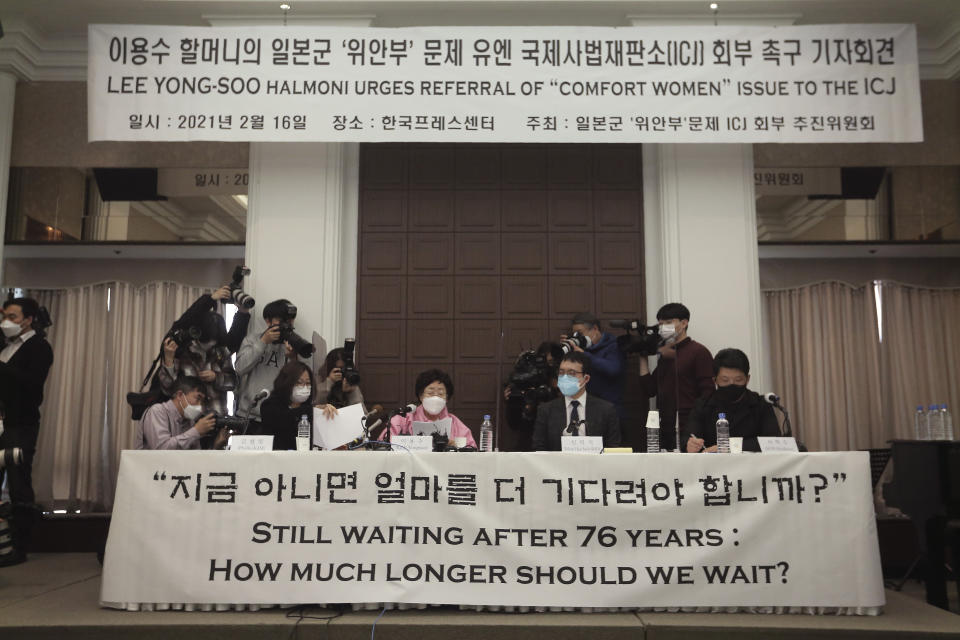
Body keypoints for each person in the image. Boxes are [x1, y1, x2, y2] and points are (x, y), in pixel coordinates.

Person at [0, 297, 54, 567]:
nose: (6, 322)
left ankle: (19, 547)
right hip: (1, 420)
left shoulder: (39, 347)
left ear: (29, 319)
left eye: (12, 317)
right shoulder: (4, 346)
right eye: (4, 316)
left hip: (20, 424)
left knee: (18, 480)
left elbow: (33, 386)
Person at [155, 285, 242, 417]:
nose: (210, 345)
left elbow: (233, 382)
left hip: (216, 417)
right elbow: (168, 387)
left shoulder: (221, 351)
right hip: (187, 420)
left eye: (214, 341)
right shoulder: (183, 350)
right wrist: (168, 360)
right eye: (207, 342)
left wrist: (216, 377)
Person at [638, 302, 714, 451]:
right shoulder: (667, 353)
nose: (663, 328)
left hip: (690, 426)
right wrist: (642, 356)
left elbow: (708, 394)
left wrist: (698, 422)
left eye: (668, 322)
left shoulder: (699, 352)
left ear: (684, 323)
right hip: (665, 426)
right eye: (660, 324)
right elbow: (650, 389)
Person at [682, 348, 780, 453]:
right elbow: (687, 437)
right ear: (715, 380)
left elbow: (773, 442)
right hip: (714, 467)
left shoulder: (761, 404)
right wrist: (690, 444)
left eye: (738, 380)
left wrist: (730, 446)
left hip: (753, 466)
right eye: (725, 380)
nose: (731, 384)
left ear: (747, 379)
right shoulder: (702, 405)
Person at [531, 352, 621, 451]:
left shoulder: (606, 410)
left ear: (586, 378)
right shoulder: (546, 410)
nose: (564, 378)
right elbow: (538, 449)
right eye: (561, 373)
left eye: (571, 373)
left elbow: (613, 449)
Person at [235, 299, 303, 424]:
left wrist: (293, 358)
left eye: (290, 319)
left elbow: (303, 383)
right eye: (281, 320)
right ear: (268, 321)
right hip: (249, 415)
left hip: (280, 417)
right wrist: (263, 342)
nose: (287, 324)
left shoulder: (297, 343)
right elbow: (239, 368)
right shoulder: (252, 339)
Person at [380, 369, 476, 448]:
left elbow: (472, 451)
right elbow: (382, 445)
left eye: (441, 394)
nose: (435, 398)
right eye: (430, 393)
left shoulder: (455, 423)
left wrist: (455, 448)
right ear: (421, 396)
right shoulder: (402, 419)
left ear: (446, 398)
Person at [260, 361, 337, 450]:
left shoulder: (308, 408)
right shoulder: (270, 405)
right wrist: (313, 410)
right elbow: (285, 418)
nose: (304, 387)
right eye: (299, 382)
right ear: (286, 383)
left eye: (308, 383)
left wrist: (326, 413)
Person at [136, 376, 227, 450]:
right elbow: (161, 449)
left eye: (202, 402)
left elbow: (195, 459)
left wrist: (216, 446)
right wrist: (196, 431)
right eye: (198, 398)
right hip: (151, 470)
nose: (200, 406)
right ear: (180, 395)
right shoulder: (157, 411)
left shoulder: (189, 421)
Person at [564, 313, 625, 415]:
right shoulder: (582, 348)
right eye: (574, 334)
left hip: (610, 409)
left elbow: (613, 369)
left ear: (595, 329)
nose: (577, 337)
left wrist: (585, 355)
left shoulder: (613, 346)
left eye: (580, 333)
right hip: (586, 408)